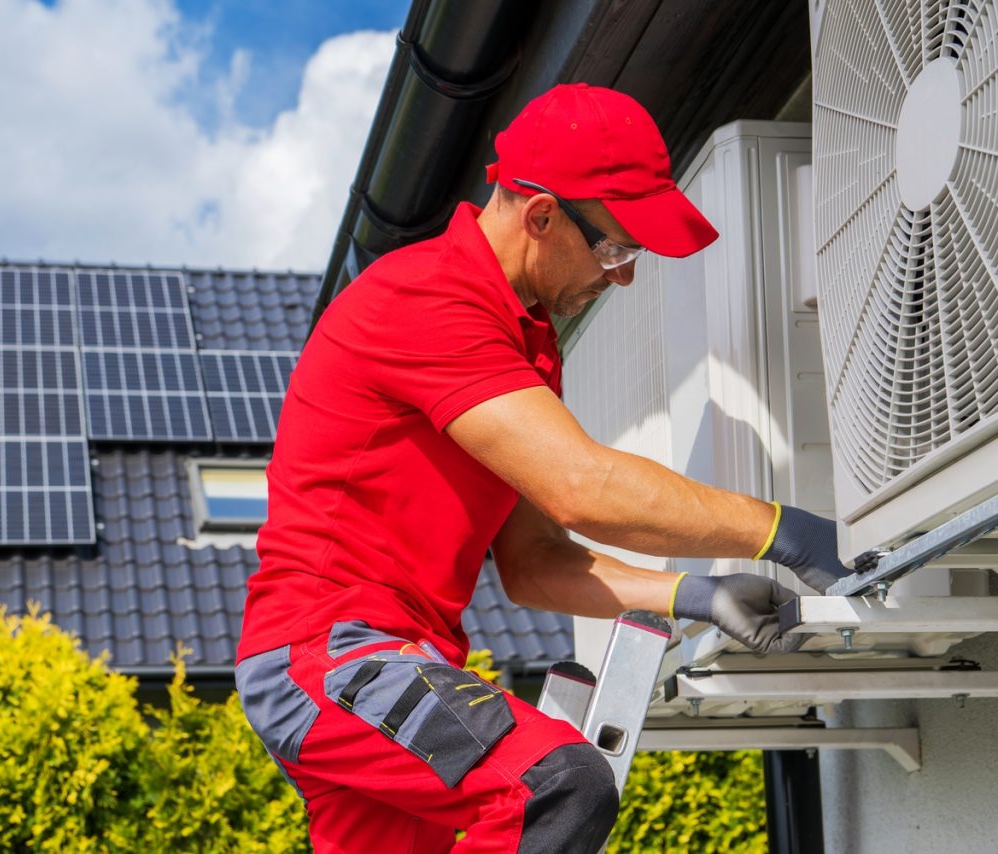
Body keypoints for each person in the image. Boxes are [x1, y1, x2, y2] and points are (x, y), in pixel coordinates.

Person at [235, 83, 848, 853]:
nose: (622, 277)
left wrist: (698, 593)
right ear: (543, 215)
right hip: (334, 655)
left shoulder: (522, 340)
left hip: (394, 660)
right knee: (555, 784)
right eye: (617, 248)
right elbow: (582, 487)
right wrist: (783, 531)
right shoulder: (428, 299)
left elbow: (533, 562)